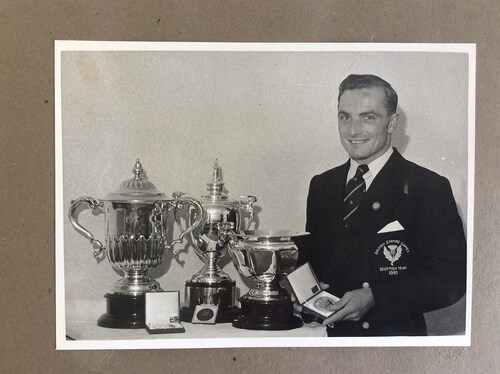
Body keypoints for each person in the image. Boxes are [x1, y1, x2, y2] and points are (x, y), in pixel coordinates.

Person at [295, 74, 466, 337]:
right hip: (326, 340)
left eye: (368, 117)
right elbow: (316, 261)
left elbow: (452, 278)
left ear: (392, 123)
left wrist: (376, 296)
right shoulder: (322, 185)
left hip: (391, 342)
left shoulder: (427, 187)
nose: (353, 130)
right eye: (345, 117)